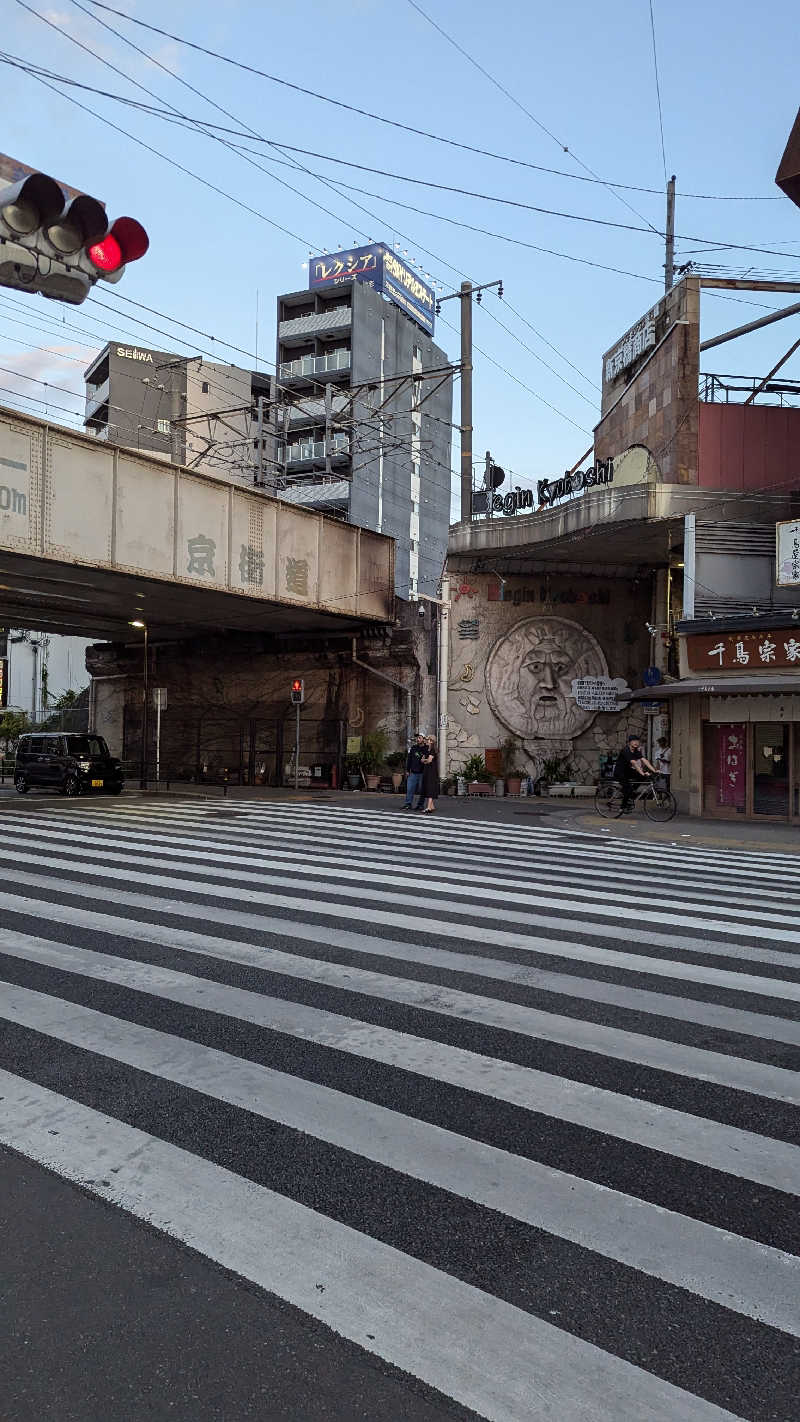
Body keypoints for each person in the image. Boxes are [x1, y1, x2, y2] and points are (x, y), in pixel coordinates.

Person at [613, 734, 657, 812]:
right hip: (620, 772)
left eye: (637, 741)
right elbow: (634, 763)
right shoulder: (626, 750)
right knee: (628, 788)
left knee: (642, 777)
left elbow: (644, 760)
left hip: (628, 771)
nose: (636, 743)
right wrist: (642, 772)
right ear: (629, 742)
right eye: (634, 741)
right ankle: (623, 807)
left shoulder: (636, 751)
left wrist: (654, 770)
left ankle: (631, 793)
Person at [402, 731, 426, 810]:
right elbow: (409, 759)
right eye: (417, 738)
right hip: (413, 772)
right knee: (409, 789)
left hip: (422, 772)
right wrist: (408, 770)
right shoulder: (413, 748)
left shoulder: (426, 748)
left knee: (421, 789)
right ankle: (408, 804)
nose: (417, 739)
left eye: (419, 738)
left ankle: (420, 804)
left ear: (423, 739)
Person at [421, 736, 440, 814]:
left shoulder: (432, 750)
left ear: (431, 741)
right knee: (427, 786)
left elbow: (429, 760)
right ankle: (432, 806)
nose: (426, 741)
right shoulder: (427, 750)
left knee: (430, 787)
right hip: (427, 771)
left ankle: (429, 807)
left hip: (432, 772)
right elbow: (422, 760)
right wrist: (425, 760)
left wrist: (425, 760)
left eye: (428, 739)